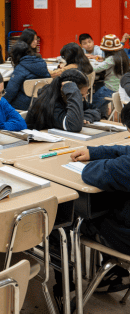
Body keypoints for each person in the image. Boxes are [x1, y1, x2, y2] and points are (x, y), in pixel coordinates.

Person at [68, 102, 130, 293]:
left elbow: (92, 172)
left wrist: (100, 159)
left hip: (126, 236)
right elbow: (125, 152)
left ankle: (68, 287)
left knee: (73, 218)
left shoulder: (124, 167)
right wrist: (95, 152)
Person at [26, 69, 100, 132]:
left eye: (85, 94)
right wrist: (74, 92)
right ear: (66, 90)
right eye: (80, 95)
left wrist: (85, 116)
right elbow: (74, 126)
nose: (83, 99)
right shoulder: (51, 103)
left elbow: (96, 110)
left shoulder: (70, 97)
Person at [4, 41, 50, 110]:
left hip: (26, 104)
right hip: (43, 101)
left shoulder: (20, 68)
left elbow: (11, 91)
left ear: (16, 56)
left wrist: (1, 105)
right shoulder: (42, 63)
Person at [91, 34, 130, 118]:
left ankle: (94, 117)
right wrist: (105, 60)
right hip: (120, 89)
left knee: (92, 103)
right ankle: (102, 116)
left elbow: (95, 69)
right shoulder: (123, 56)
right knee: (99, 89)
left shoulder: (111, 59)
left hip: (110, 89)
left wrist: (84, 65)